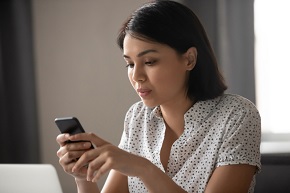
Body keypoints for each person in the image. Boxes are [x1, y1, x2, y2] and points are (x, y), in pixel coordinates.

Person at [56, 1, 261, 193]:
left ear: (189, 59)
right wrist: (83, 176)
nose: (136, 76)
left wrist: (143, 169)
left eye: (150, 61)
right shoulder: (137, 117)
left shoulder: (237, 115)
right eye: (130, 64)